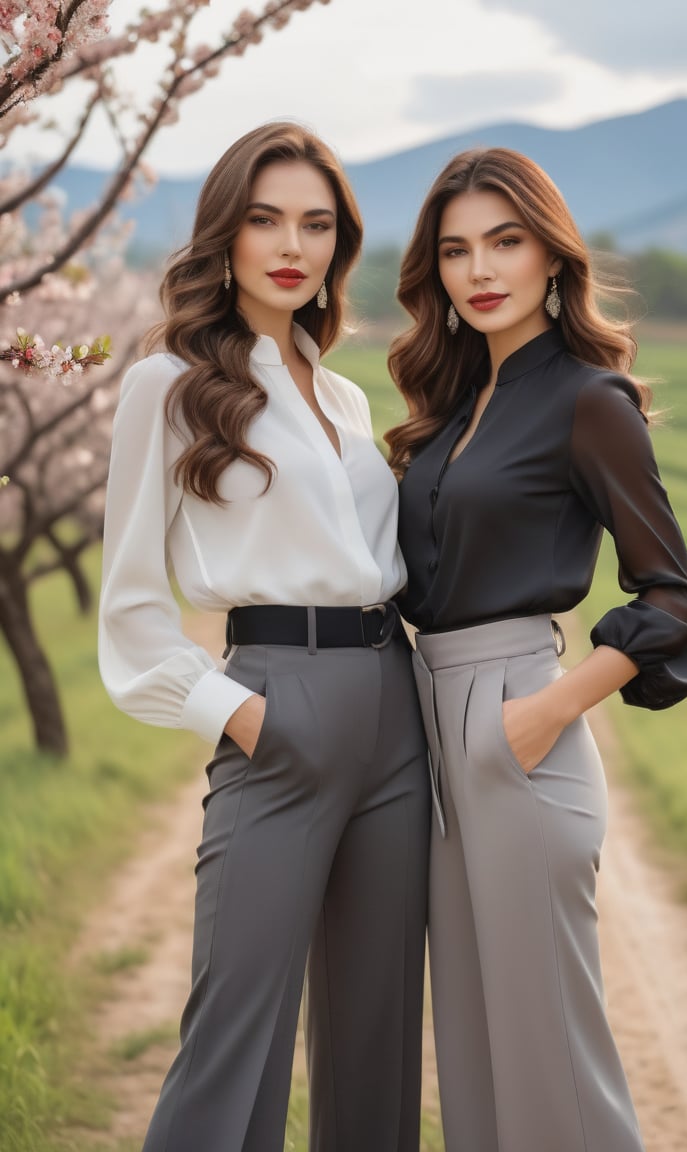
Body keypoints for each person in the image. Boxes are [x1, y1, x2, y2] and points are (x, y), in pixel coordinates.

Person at [98, 122, 430, 1152]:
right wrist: (234, 712)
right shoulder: (169, 384)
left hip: (395, 708)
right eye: (265, 218)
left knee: (377, 1039)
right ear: (225, 233)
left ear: (340, 243)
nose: (293, 244)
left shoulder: (339, 391)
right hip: (277, 706)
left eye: (317, 224)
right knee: (234, 1039)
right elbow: (131, 607)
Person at [385, 147, 687, 1152]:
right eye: (455, 250)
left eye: (505, 241)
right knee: (478, 1054)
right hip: (431, 735)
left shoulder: (587, 400)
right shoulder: (448, 414)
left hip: (519, 726)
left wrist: (547, 710)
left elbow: (675, 601)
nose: (480, 269)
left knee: (552, 1060)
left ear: (551, 257)